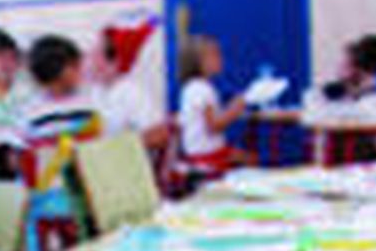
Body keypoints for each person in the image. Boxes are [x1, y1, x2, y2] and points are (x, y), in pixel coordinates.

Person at [176, 35, 249, 176]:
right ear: (199, 62)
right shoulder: (203, 89)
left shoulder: (191, 87)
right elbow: (214, 126)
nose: (220, 59)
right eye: (215, 56)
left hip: (197, 154)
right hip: (208, 157)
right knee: (251, 158)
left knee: (244, 156)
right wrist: (236, 109)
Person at [95, 22, 171, 153]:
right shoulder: (98, 91)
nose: (92, 59)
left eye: (98, 54)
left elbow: (161, 136)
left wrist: (118, 148)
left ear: (116, 62)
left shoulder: (131, 92)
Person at [23, 35, 103, 143]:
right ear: (54, 71)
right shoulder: (32, 112)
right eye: (74, 65)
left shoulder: (91, 100)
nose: (80, 69)